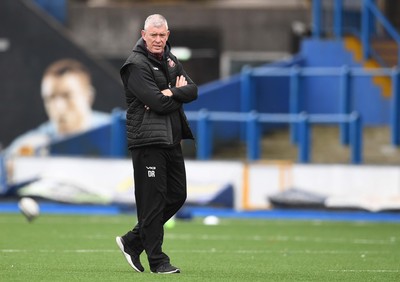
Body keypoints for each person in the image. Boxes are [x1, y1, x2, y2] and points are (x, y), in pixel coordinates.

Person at [115, 14, 198, 274]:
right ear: (143, 34)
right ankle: (158, 261)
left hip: (171, 139)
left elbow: (193, 90)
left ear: (168, 35)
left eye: (162, 35)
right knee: (153, 201)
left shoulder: (171, 60)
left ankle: (133, 241)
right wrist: (175, 93)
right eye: (154, 35)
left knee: (177, 194)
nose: (158, 40)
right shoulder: (135, 65)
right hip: (148, 141)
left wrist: (170, 92)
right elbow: (158, 104)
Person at [4, 59, 110, 157]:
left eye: (67, 96)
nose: (59, 106)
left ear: (88, 96)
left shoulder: (116, 134)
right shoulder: (30, 146)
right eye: (50, 98)